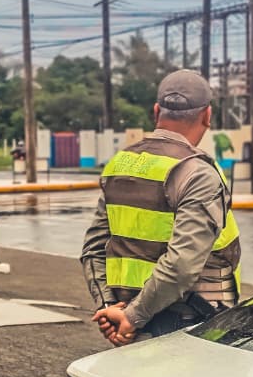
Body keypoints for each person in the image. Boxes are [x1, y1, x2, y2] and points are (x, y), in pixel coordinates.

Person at [81, 69, 241, 346]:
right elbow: (182, 265)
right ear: (207, 115)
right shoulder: (197, 173)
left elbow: (93, 249)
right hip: (190, 323)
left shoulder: (119, 164)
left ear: (156, 111)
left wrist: (108, 308)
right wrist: (132, 316)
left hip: (131, 320)